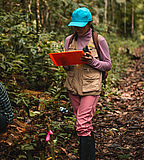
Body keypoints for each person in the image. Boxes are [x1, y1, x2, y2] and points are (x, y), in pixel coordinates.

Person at [63, 7, 112, 159]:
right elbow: (67, 67)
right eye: (75, 25)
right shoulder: (69, 40)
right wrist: (64, 62)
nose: (77, 28)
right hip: (73, 87)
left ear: (89, 23)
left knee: (82, 124)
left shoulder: (99, 40)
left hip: (91, 87)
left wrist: (92, 61)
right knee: (83, 124)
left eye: (81, 25)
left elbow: (108, 65)